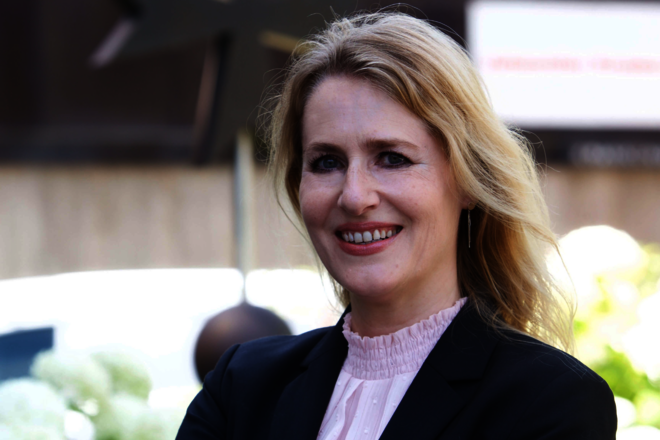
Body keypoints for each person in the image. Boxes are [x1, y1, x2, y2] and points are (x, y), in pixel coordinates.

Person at [177, 12, 617, 440]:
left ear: (468, 181)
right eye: (327, 162)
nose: (354, 196)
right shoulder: (240, 386)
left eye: (392, 158)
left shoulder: (550, 401)